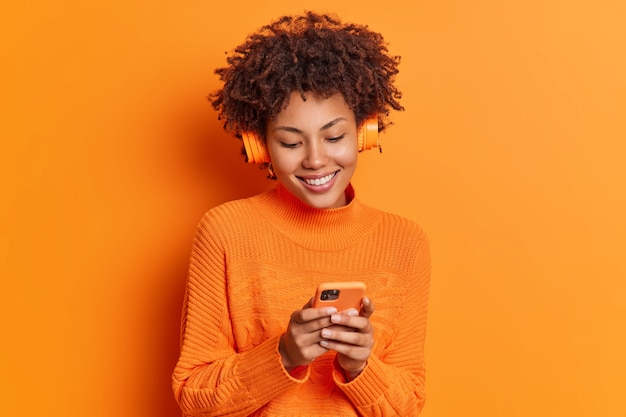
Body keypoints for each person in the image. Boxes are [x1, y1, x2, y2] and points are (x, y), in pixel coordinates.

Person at [172, 11, 431, 416]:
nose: (315, 159)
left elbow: (408, 407)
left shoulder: (405, 241)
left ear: (364, 131)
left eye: (334, 136)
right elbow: (194, 397)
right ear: (260, 147)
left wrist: (360, 367)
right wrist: (284, 355)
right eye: (292, 143)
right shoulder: (225, 231)